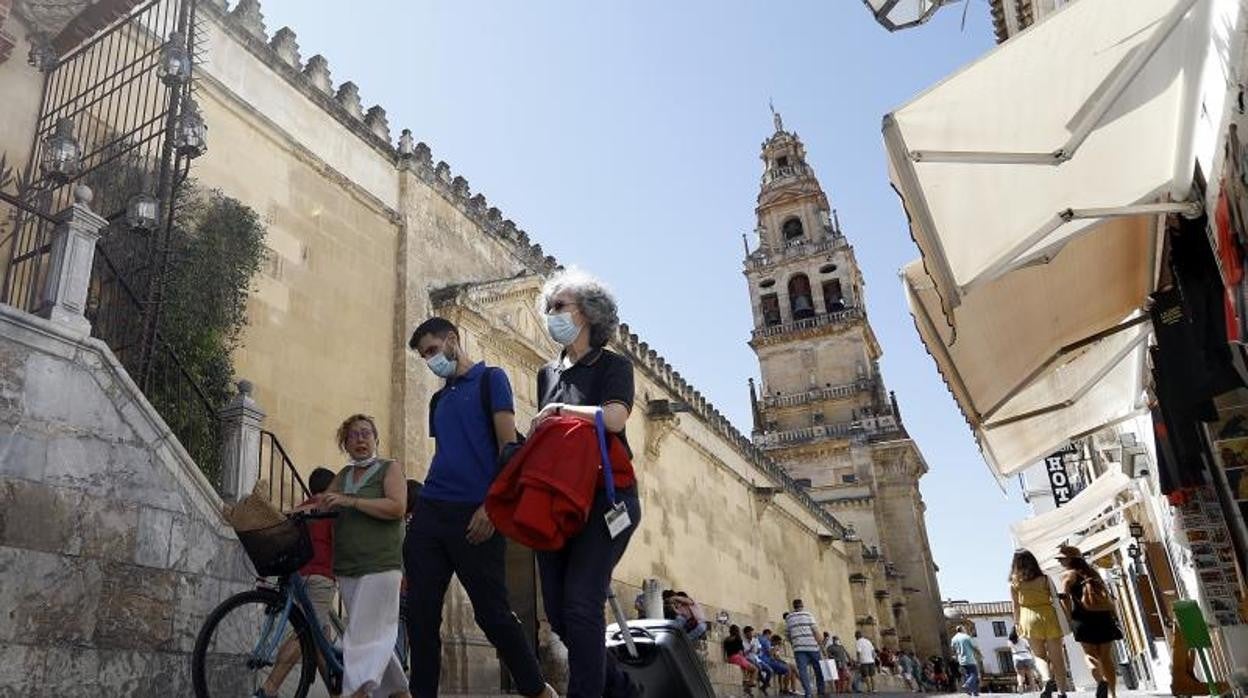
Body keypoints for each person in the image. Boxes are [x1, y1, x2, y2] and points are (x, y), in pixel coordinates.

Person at [405, 317, 556, 698]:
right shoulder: (438, 399)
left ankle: (537, 690)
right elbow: (447, 454)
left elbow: (508, 448)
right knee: (420, 617)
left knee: (491, 615)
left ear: (452, 340)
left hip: (475, 512)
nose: (430, 360)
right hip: (431, 510)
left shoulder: (492, 380)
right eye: (424, 356)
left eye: (433, 350)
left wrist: (492, 508)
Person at [531, 269, 642, 698]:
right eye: (549, 307)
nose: (551, 314)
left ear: (590, 314)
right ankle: (625, 692)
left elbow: (614, 419)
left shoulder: (612, 364)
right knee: (560, 615)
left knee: (581, 605)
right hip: (559, 501)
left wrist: (560, 410)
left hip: (606, 498)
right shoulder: (547, 372)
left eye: (561, 306)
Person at [320, 414, 410, 698]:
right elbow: (320, 504)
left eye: (366, 433)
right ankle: (400, 694)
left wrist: (352, 501)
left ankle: (355, 694)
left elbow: (397, 507)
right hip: (348, 567)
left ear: (375, 439)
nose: (360, 439)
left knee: (360, 639)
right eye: (354, 435)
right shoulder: (343, 475)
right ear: (345, 443)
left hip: (380, 565)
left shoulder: (389, 468)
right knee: (373, 638)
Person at [257, 467, 339, 698]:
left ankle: (337, 694)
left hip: (301, 577)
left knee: (320, 640)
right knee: (304, 633)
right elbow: (338, 542)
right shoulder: (329, 508)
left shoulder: (302, 509)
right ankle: (269, 688)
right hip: (322, 577)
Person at [1058, 545, 1123, 698]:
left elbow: (1064, 596)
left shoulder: (1067, 575)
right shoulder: (1093, 573)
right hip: (1103, 617)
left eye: (1062, 559)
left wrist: (1067, 617)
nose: (1060, 562)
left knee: (1090, 655)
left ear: (1070, 559)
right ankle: (1113, 694)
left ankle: (1101, 681)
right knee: (1106, 657)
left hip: (1082, 619)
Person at [1009, 549, 1070, 698]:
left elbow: (1016, 606)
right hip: (1049, 616)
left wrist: (1017, 624)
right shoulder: (1045, 579)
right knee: (1057, 658)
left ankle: (1047, 679)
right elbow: (1055, 598)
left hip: (1028, 618)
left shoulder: (1015, 583)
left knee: (1039, 656)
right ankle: (1062, 692)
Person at [785, 599, 827, 698]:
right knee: (818, 669)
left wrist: (794, 643)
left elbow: (787, 635)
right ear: (802, 605)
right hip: (812, 647)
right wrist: (822, 647)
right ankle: (821, 691)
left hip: (798, 649)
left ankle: (808, 693)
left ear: (793, 606)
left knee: (802, 671)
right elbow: (815, 632)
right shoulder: (808, 615)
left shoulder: (789, 618)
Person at [724, 624, 760, 694]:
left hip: (730, 658)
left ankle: (747, 687)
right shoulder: (738, 639)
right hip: (737, 658)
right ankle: (751, 682)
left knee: (746, 671)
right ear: (737, 631)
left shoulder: (726, 640)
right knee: (755, 669)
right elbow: (740, 653)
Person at [760, 629, 794, 696]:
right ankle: (785, 689)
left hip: (765, 660)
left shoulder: (760, 639)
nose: (770, 637)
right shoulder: (766, 641)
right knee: (788, 669)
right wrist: (775, 649)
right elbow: (771, 655)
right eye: (770, 635)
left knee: (789, 667)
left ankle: (786, 689)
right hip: (767, 661)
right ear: (767, 634)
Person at [950, 625, 981, 696]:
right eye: (964, 628)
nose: (965, 630)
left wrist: (957, 655)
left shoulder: (953, 638)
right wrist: (980, 654)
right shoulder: (966, 637)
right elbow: (974, 647)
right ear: (962, 629)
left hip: (961, 660)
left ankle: (972, 692)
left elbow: (953, 649)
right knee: (974, 674)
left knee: (967, 675)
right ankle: (967, 684)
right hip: (969, 658)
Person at [744, 625, 774, 694]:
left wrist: (758, 650)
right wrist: (750, 650)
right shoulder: (743, 642)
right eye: (750, 633)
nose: (751, 634)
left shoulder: (755, 640)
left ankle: (764, 686)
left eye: (751, 632)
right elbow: (744, 654)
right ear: (746, 633)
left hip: (757, 659)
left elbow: (759, 651)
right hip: (749, 658)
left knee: (770, 671)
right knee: (759, 668)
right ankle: (761, 682)